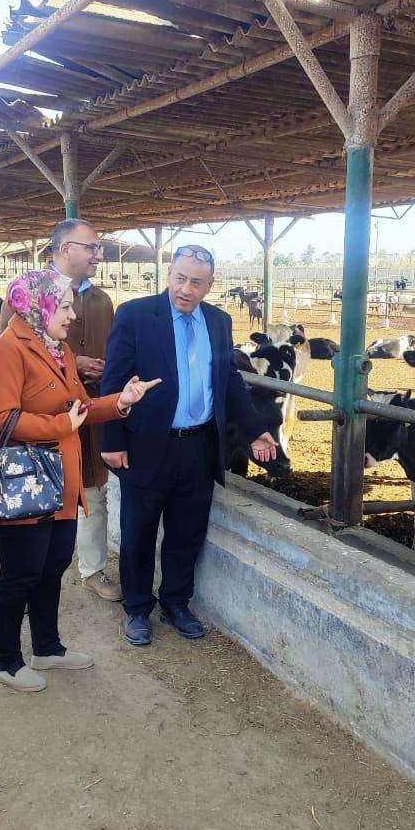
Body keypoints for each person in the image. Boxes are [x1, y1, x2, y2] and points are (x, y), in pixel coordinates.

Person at [0, 270, 157, 690]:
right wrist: (61, 425)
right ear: (37, 307)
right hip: (26, 482)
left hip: (62, 479)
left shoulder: (57, 348)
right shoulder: (5, 348)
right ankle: (6, 661)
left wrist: (120, 402)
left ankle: (47, 648)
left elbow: (81, 407)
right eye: (63, 306)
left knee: (53, 566)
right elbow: (0, 418)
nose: (72, 315)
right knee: (20, 573)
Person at [100, 245, 278, 646]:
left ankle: (176, 603)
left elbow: (229, 380)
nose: (185, 289)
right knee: (138, 531)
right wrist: (112, 439)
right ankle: (137, 608)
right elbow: (113, 379)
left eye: (196, 282)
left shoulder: (218, 321)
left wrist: (254, 429)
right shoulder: (135, 315)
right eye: (180, 278)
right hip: (147, 444)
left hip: (199, 445)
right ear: (169, 275)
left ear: (210, 285)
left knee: (187, 531)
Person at [0, 219, 120, 600]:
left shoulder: (102, 301)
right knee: (40, 494)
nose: (98, 255)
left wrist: (106, 377)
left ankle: (92, 569)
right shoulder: (26, 293)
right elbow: (11, 354)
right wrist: (72, 364)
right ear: (66, 249)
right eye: (92, 248)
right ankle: (34, 572)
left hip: (88, 411)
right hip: (41, 422)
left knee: (94, 491)